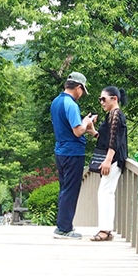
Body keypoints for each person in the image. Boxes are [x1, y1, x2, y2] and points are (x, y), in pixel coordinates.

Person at [50, 71, 97, 239]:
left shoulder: (56, 102)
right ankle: (64, 228)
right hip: (73, 152)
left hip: (60, 151)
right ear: (78, 87)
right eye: (82, 90)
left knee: (65, 189)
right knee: (70, 190)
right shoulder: (71, 104)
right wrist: (87, 123)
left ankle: (63, 225)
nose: (82, 94)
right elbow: (77, 131)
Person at [89, 86, 128, 241]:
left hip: (113, 159)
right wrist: (93, 131)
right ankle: (106, 229)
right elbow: (107, 138)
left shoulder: (116, 115)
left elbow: (115, 140)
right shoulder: (112, 115)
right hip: (112, 158)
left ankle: (105, 230)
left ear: (114, 99)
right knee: (105, 193)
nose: (101, 102)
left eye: (103, 99)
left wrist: (107, 160)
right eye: (100, 99)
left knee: (105, 193)